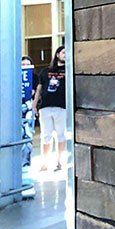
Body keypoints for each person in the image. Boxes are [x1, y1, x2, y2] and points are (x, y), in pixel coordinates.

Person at [34, 44, 67, 174]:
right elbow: (39, 88)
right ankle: (45, 162)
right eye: (63, 52)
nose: (65, 55)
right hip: (46, 107)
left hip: (61, 106)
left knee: (61, 135)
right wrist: (34, 104)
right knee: (46, 135)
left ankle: (59, 161)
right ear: (58, 54)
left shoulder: (69, 70)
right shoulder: (45, 71)